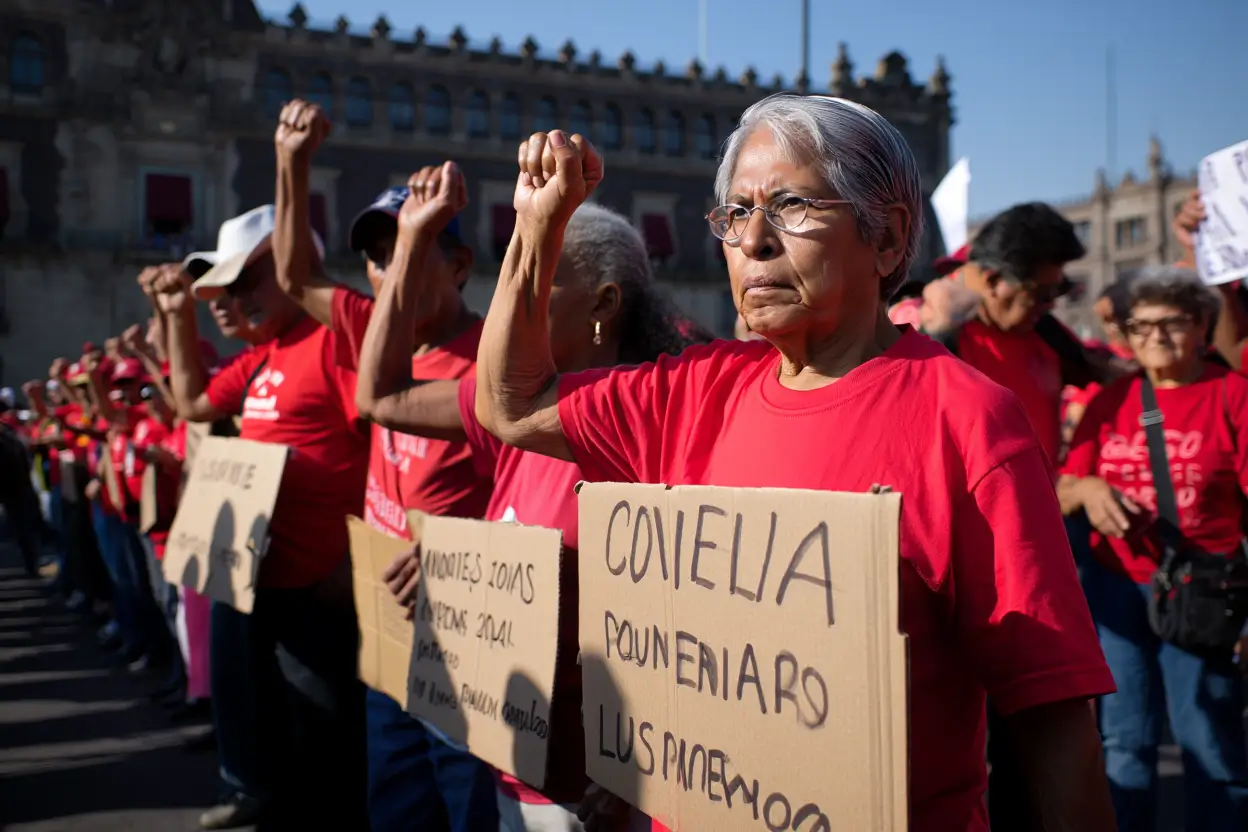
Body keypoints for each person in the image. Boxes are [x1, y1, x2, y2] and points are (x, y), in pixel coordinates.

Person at [473, 95, 1117, 831]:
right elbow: (512, 404)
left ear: (888, 237)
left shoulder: (966, 420)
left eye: (791, 206)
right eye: (735, 212)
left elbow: (1052, 715)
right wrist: (536, 225)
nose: (754, 240)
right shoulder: (695, 390)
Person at [354, 164, 708, 830]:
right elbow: (379, 395)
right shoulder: (509, 414)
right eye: (511, 276)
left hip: (594, 789)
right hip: (507, 761)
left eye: (539, 281)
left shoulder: (656, 424)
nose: (511, 303)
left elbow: (684, 623)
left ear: (604, 304)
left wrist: (642, 776)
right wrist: (409, 242)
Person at [270, 99, 497, 832]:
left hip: (473, 647)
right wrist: (291, 161)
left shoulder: (502, 361)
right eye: (377, 255)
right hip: (391, 636)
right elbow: (296, 273)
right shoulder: (376, 331)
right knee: (395, 811)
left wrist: (455, 553)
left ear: (460, 264)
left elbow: (539, 504)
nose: (383, 271)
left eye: (408, 249)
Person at [155, 203, 371, 829]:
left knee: (330, 758)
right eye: (222, 288)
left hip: (323, 594)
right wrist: (175, 315)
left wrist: (355, 564)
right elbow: (193, 402)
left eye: (246, 280)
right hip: (264, 588)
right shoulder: (264, 355)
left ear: (294, 267)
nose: (232, 299)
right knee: (286, 751)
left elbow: (387, 454)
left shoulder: (337, 340)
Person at [1058, 266, 1248, 832]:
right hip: (1117, 591)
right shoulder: (1111, 400)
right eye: (1142, 326)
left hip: (1203, 589)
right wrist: (1087, 488)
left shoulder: (1232, 394)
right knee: (1125, 740)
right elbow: (1060, 487)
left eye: (1173, 324)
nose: (1156, 338)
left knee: (1208, 741)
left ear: (1201, 326)